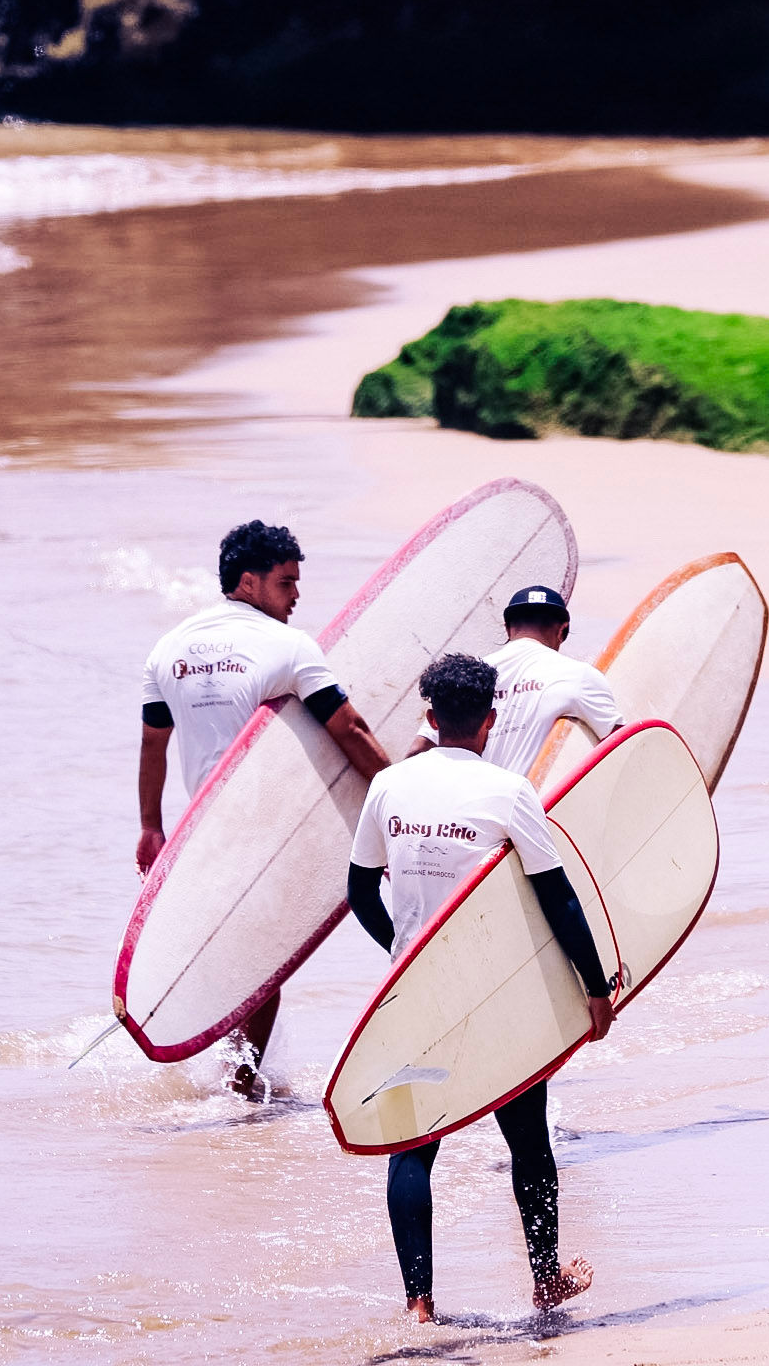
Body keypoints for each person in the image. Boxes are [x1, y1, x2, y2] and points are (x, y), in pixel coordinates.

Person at [347, 653, 617, 1323]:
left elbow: (359, 892)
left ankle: (419, 1303)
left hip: (415, 996)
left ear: (431, 718)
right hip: (498, 996)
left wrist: (404, 956)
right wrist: (595, 985)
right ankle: (546, 1279)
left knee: (413, 1146)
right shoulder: (509, 791)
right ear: (491, 720)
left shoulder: (390, 786)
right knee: (528, 1143)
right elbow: (560, 901)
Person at [138, 520, 393, 1099]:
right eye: (286, 583)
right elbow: (348, 729)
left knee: (229, 947)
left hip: (198, 831)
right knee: (262, 954)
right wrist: (396, 797)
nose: (297, 595)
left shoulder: (168, 647)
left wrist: (151, 827)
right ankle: (242, 1082)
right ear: (249, 583)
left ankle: (229, 1069)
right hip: (266, 830)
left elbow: (155, 742)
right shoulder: (288, 646)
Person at [407, 585, 623, 776]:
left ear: (507, 627)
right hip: (532, 810)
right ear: (562, 629)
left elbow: (418, 750)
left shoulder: (465, 676)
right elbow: (623, 747)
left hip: (465, 810)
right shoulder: (579, 675)